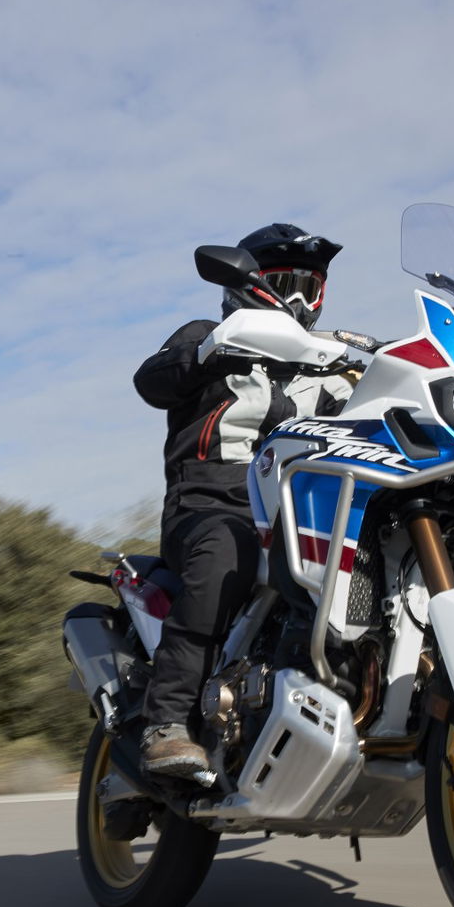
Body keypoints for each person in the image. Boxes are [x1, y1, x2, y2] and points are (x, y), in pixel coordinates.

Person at [133, 223, 352, 777]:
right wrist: (206, 353)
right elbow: (151, 382)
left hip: (301, 510)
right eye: (284, 284)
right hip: (211, 504)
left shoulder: (333, 363)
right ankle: (168, 721)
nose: (297, 300)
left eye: (308, 287)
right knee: (225, 553)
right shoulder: (208, 336)